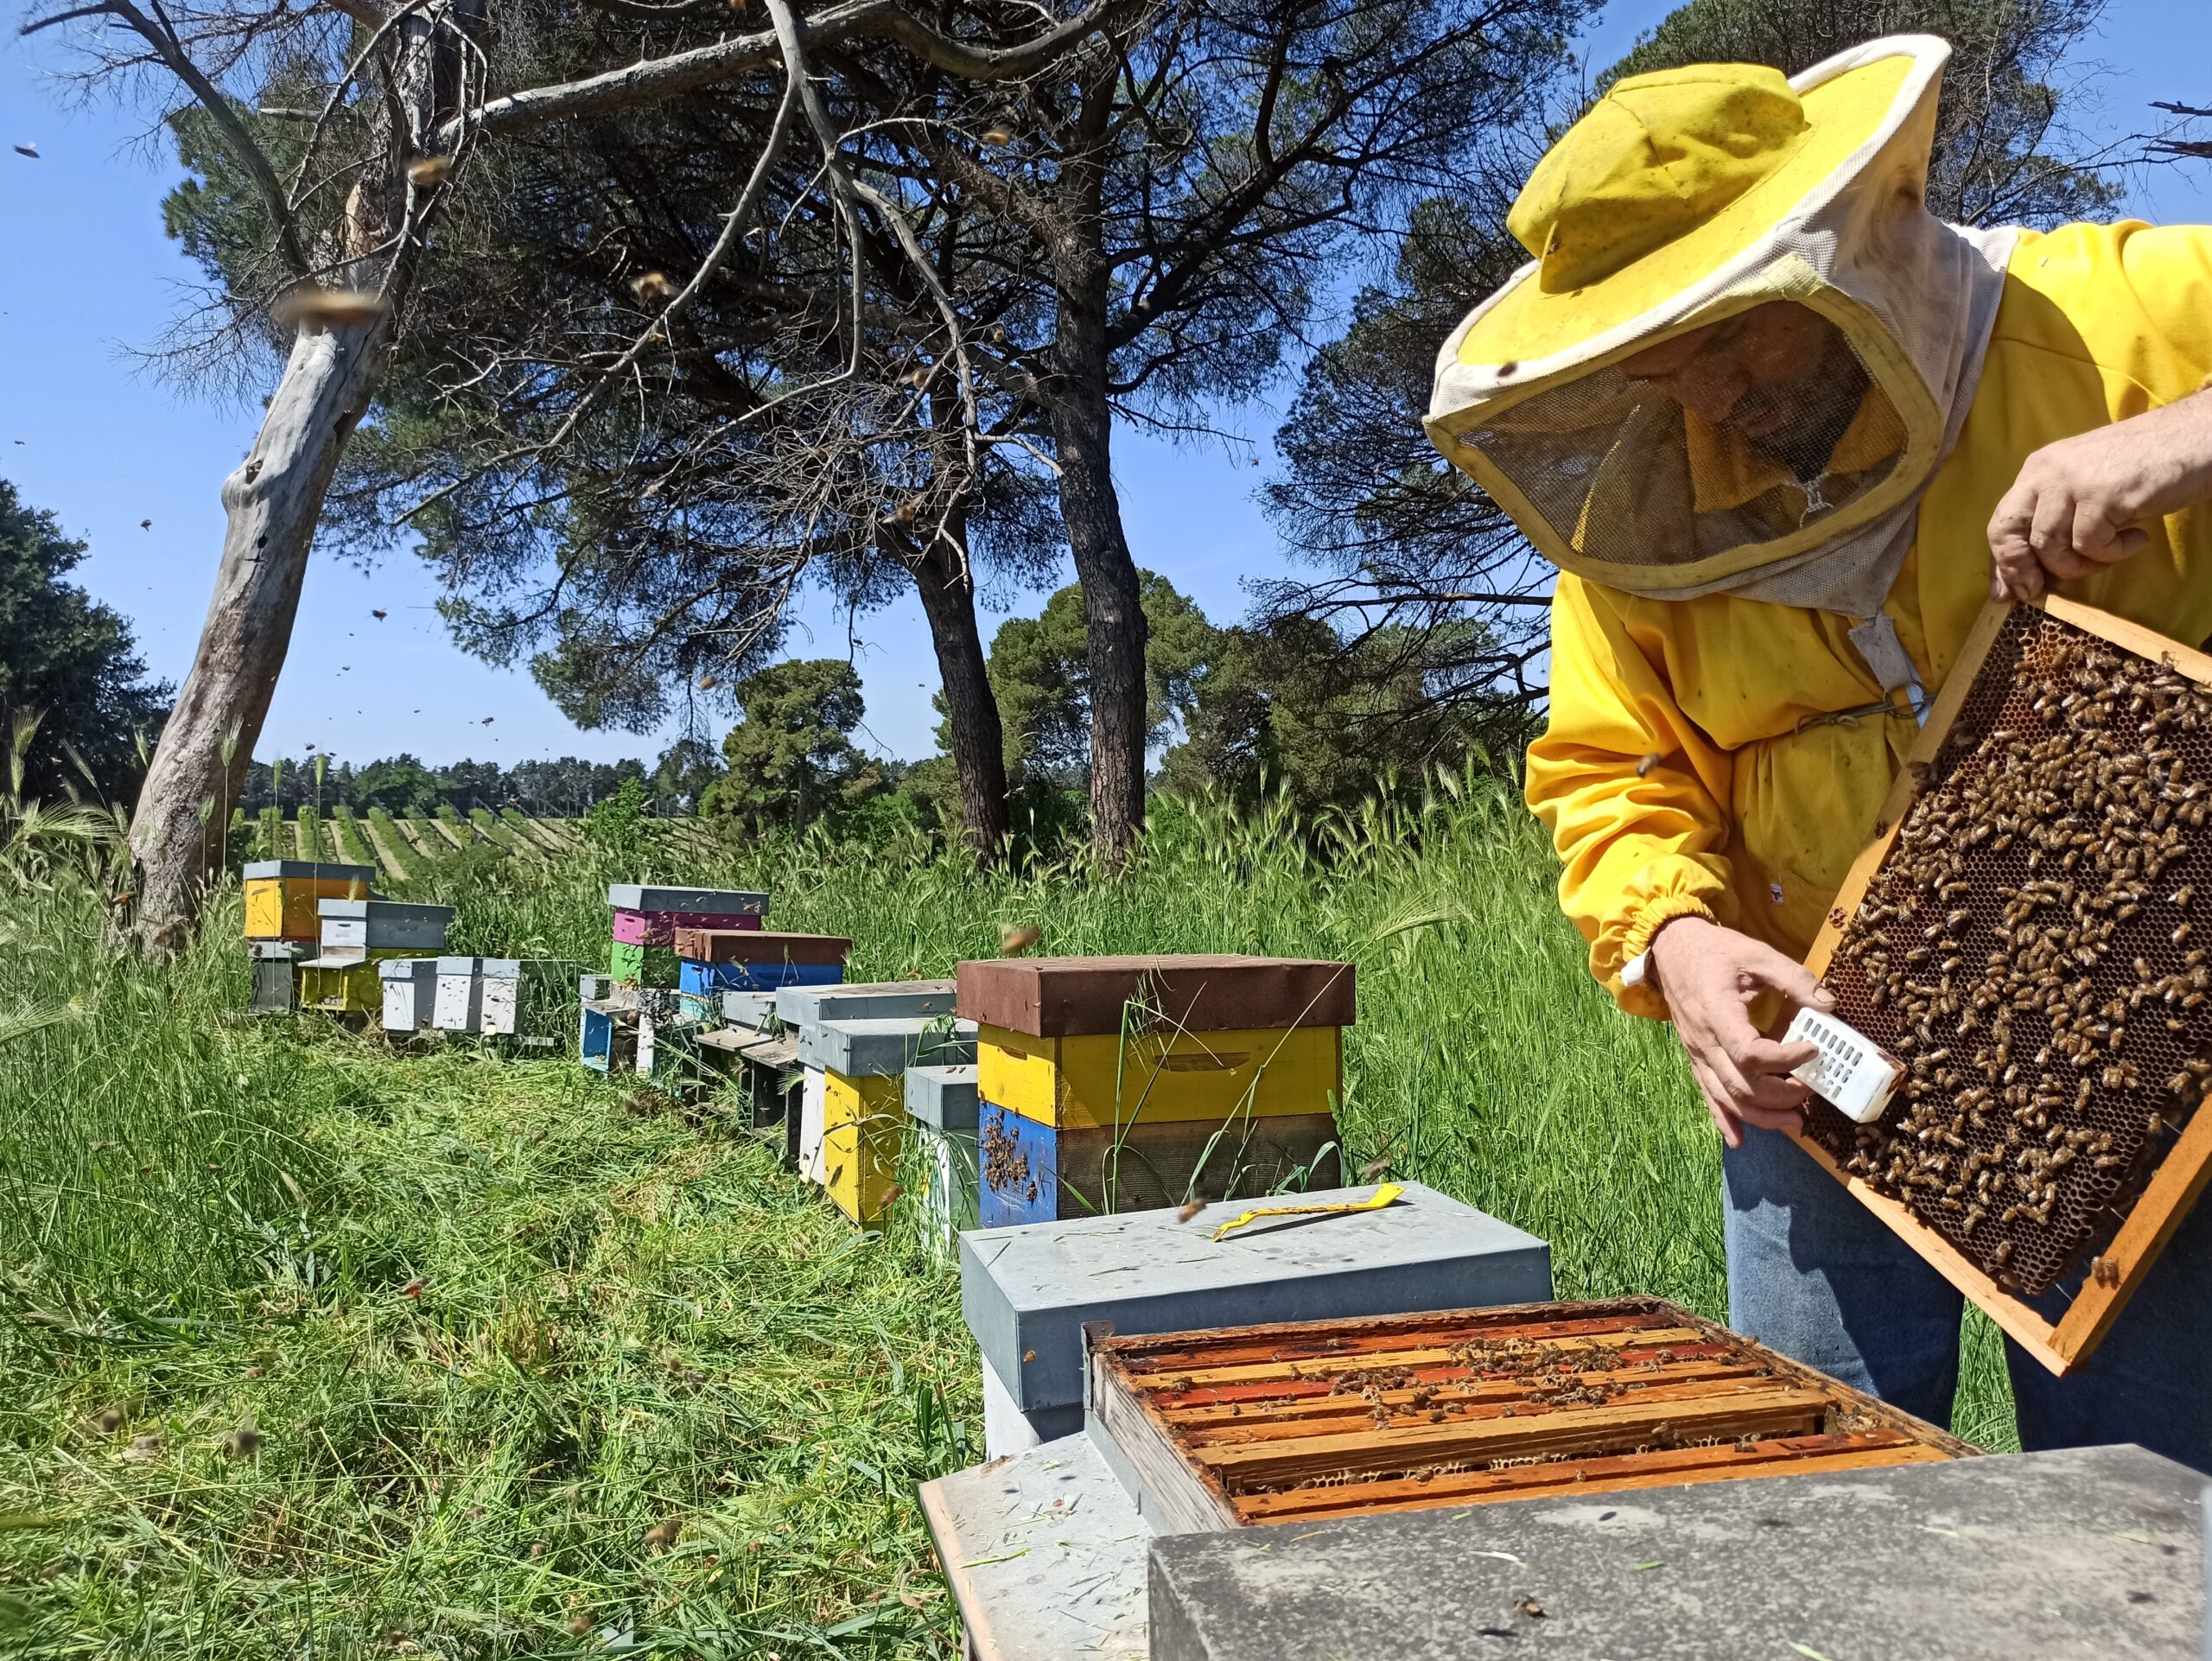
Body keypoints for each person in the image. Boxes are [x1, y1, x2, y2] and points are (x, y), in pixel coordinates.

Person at [1425, 35, 2212, 1467]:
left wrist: (2193, 434)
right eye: (1663, 363)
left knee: (2158, 1513)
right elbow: (1613, 771)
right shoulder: (1637, 530)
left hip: (2155, 1066)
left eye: (1736, 334)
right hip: (1812, 1056)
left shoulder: (2134, 313)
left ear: (1851, 247)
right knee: (1815, 1497)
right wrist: (1671, 939)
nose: (1711, 397)